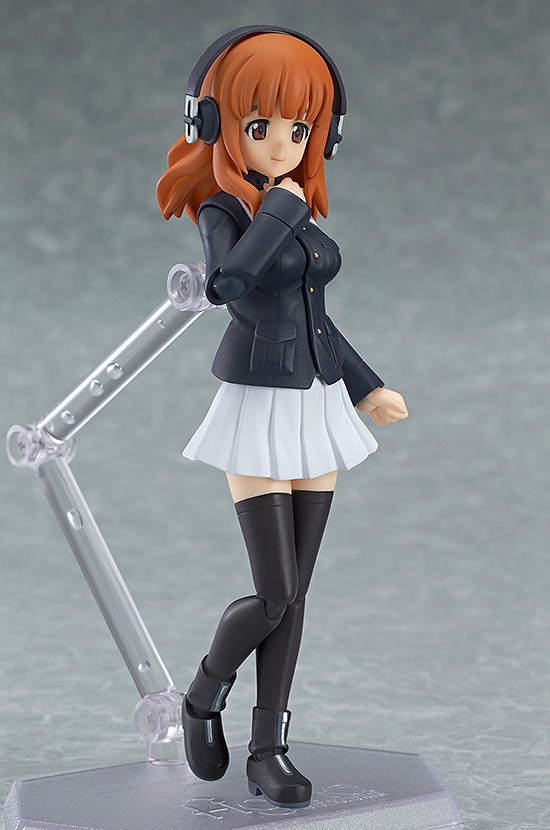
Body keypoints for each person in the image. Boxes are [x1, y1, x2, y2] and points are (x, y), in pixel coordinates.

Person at [156, 29, 408, 809]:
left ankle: (269, 748)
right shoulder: (225, 207)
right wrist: (280, 211)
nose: (281, 143)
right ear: (215, 124)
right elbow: (227, 284)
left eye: (299, 128)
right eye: (260, 124)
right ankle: (203, 693)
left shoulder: (291, 206)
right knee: (273, 593)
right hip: (258, 404)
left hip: (316, 402)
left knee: (296, 598)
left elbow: (314, 317)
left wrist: (365, 386)